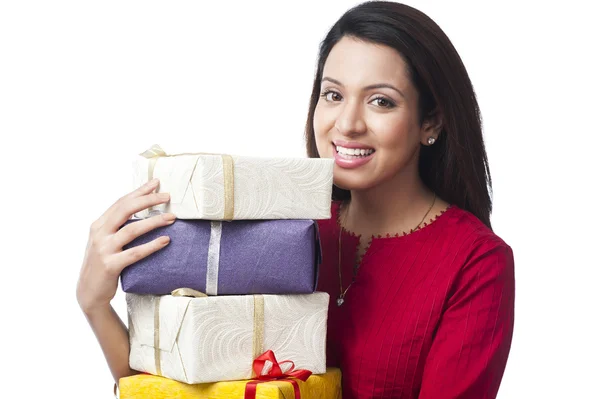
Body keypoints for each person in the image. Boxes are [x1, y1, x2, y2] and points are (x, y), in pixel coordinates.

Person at [77, 1, 514, 398]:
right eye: (333, 94)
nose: (347, 123)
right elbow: (172, 388)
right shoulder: (280, 230)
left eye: (381, 101)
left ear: (430, 121)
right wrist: (95, 304)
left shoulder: (475, 263)